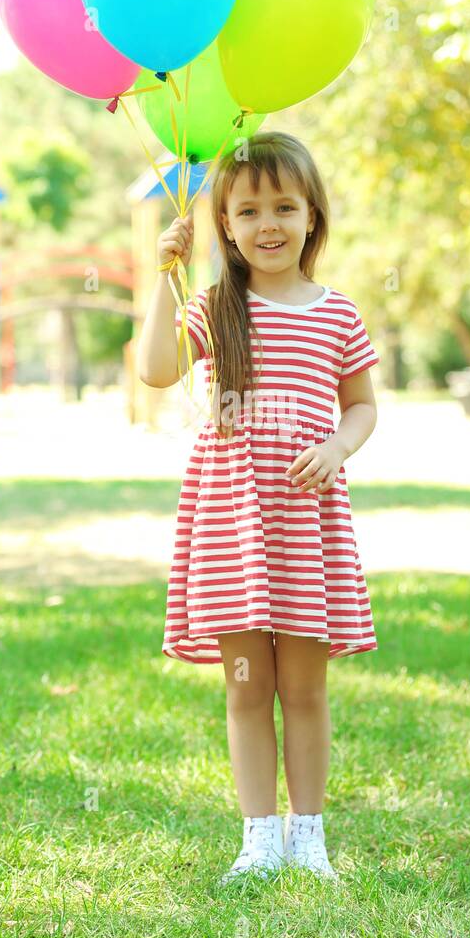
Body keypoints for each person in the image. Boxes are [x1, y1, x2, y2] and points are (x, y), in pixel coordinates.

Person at [138, 132, 379, 884]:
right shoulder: (216, 305)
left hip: (305, 518)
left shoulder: (337, 313)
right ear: (227, 227)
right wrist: (164, 277)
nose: (267, 223)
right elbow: (154, 369)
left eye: (284, 206)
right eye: (248, 210)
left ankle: (309, 836)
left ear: (313, 216)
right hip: (233, 519)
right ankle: (259, 839)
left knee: (304, 687)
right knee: (247, 686)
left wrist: (339, 447)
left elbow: (363, 407)